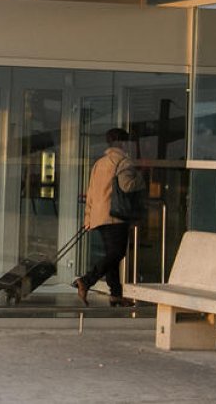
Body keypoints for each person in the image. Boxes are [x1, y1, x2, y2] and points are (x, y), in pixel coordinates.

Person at [75, 128, 143, 307]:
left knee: (111, 255)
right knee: (117, 253)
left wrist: (88, 217)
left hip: (99, 216)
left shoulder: (100, 163)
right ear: (123, 143)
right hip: (116, 216)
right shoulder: (124, 162)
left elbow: (91, 191)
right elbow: (127, 186)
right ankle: (87, 280)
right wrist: (141, 178)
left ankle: (116, 294)